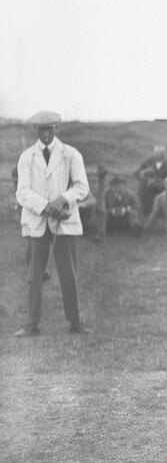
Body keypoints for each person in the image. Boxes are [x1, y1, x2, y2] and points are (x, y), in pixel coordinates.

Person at [14, 111, 92, 336]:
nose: (45, 134)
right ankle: (32, 323)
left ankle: (75, 322)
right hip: (37, 221)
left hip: (63, 224)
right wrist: (46, 206)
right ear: (35, 131)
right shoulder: (27, 157)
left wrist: (62, 199)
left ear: (56, 128)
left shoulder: (70, 154)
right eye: (41, 130)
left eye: (49, 129)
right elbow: (22, 192)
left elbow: (81, 187)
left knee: (69, 273)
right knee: (34, 274)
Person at [135, 144, 167, 216]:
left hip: (160, 191)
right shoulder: (147, 162)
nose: (159, 155)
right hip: (147, 192)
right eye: (157, 153)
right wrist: (143, 172)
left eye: (161, 153)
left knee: (159, 214)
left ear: (164, 154)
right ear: (154, 153)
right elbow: (136, 174)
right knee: (145, 213)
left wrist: (156, 183)